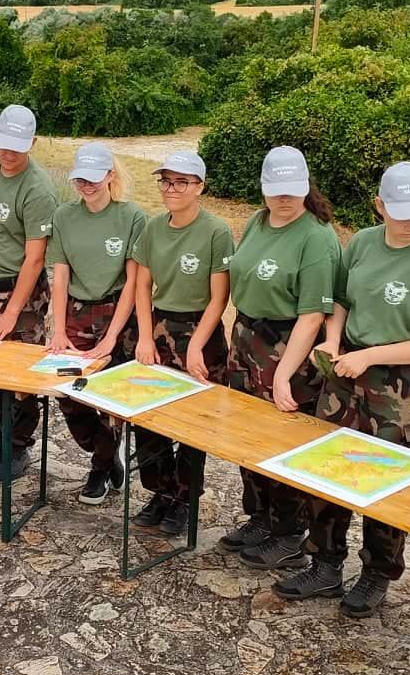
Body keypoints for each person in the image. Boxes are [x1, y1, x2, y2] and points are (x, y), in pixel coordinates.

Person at [281, 161, 410, 618]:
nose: (408, 221)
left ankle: (377, 573)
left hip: (405, 386)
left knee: (387, 481)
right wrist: (332, 339)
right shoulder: (363, 242)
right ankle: (325, 562)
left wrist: (372, 356)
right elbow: (341, 299)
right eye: (398, 211)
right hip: (347, 371)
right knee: (326, 466)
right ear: (379, 205)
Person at [220, 146, 339, 573]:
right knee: (246, 436)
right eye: (276, 190)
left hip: (288, 347)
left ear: (306, 187)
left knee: (281, 442)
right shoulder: (258, 221)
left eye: (292, 190)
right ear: (263, 188)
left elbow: (312, 316)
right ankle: (261, 517)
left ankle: (290, 533)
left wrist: (284, 374)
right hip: (246, 340)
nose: (284, 198)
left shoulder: (317, 237)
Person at [130, 152, 234, 538]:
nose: (171, 189)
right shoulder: (153, 228)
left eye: (182, 182)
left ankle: (186, 499)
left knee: (193, 423)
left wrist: (196, 346)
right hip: (159, 325)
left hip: (200, 329)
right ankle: (161, 491)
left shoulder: (216, 231)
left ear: (199, 187)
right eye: (166, 181)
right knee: (148, 416)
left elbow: (218, 298)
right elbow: (142, 285)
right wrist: (145, 336)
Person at [47, 142, 146, 505]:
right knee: (69, 392)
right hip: (76, 311)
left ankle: (100, 468)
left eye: (93, 178)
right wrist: (58, 329)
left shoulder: (132, 216)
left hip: (117, 310)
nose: (86, 186)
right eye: (80, 179)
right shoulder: (64, 216)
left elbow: (133, 282)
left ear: (109, 176)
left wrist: (113, 336)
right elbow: (60, 276)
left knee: (112, 395)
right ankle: (104, 453)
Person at [0, 104, 57, 481]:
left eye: (18, 147)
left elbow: (35, 259)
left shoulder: (38, 189)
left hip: (23, 292)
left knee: (19, 377)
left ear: (32, 143)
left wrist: (11, 313)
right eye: (3, 143)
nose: (8, 153)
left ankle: (18, 445)